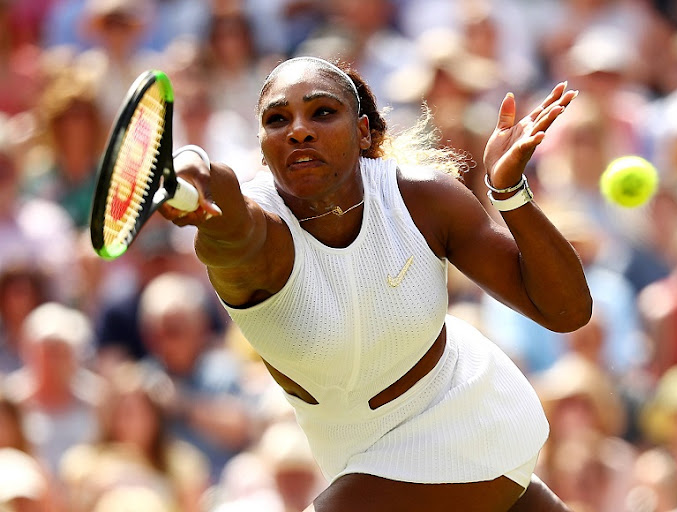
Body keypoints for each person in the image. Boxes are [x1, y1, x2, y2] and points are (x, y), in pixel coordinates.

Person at [160, 56, 591, 511]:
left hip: (471, 419)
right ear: (263, 146)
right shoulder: (257, 237)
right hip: (363, 460)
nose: (299, 130)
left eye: (322, 112)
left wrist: (508, 191)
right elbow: (226, 209)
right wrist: (192, 166)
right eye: (277, 119)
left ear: (363, 131)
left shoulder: (425, 198)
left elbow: (567, 311)